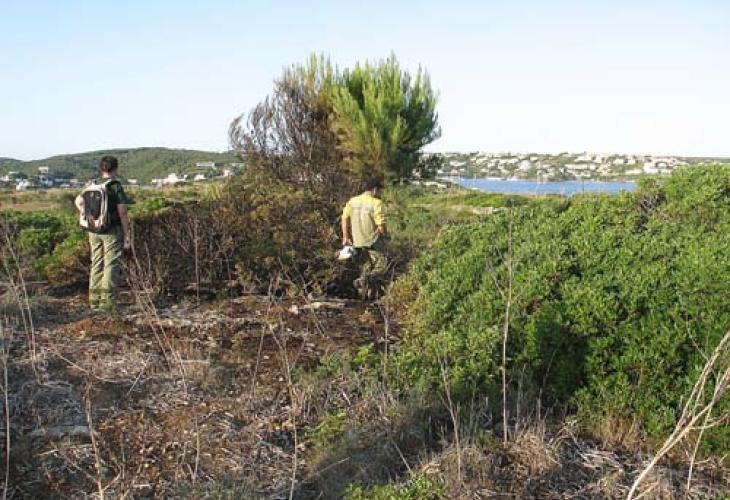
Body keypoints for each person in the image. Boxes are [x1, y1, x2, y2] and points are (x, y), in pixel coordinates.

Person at [75, 155, 133, 312]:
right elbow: (122, 212)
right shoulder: (114, 186)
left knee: (96, 263)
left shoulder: (92, 185)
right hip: (111, 230)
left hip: (93, 230)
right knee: (111, 265)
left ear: (101, 169)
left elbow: (78, 201)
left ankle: (94, 301)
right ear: (116, 168)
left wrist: (87, 214)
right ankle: (106, 304)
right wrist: (127, 235)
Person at [341, 176, 388, 299]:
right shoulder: (376, 203)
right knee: (382, 266)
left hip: (357, 242)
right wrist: (386, 236)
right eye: (379, 190)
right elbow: (381, 225)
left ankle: (365, 296)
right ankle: (364, 282)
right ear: (374, 189)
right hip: (373, 241)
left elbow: (344, 218)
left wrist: (346, 236)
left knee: (365, 267)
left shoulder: (353, 201)